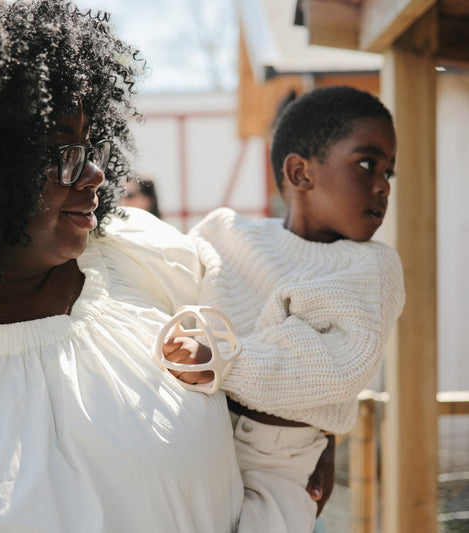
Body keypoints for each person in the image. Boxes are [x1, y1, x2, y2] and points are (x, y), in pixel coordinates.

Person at [0, 1, 248, 531]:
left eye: (90, 144)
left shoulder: (147, 258)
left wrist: (301, 433)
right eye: (61, 153)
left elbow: (279, 357)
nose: (97, 174)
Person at [160, 86, 406, 532]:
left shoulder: (371, 267)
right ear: (300, 173)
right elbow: (167, 283)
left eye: (390, 170)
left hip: (280, 464)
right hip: (194, 428)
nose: (383, 184)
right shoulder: (227, 232)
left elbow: (336, 368)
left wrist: (225, 362)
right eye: (367, 163)